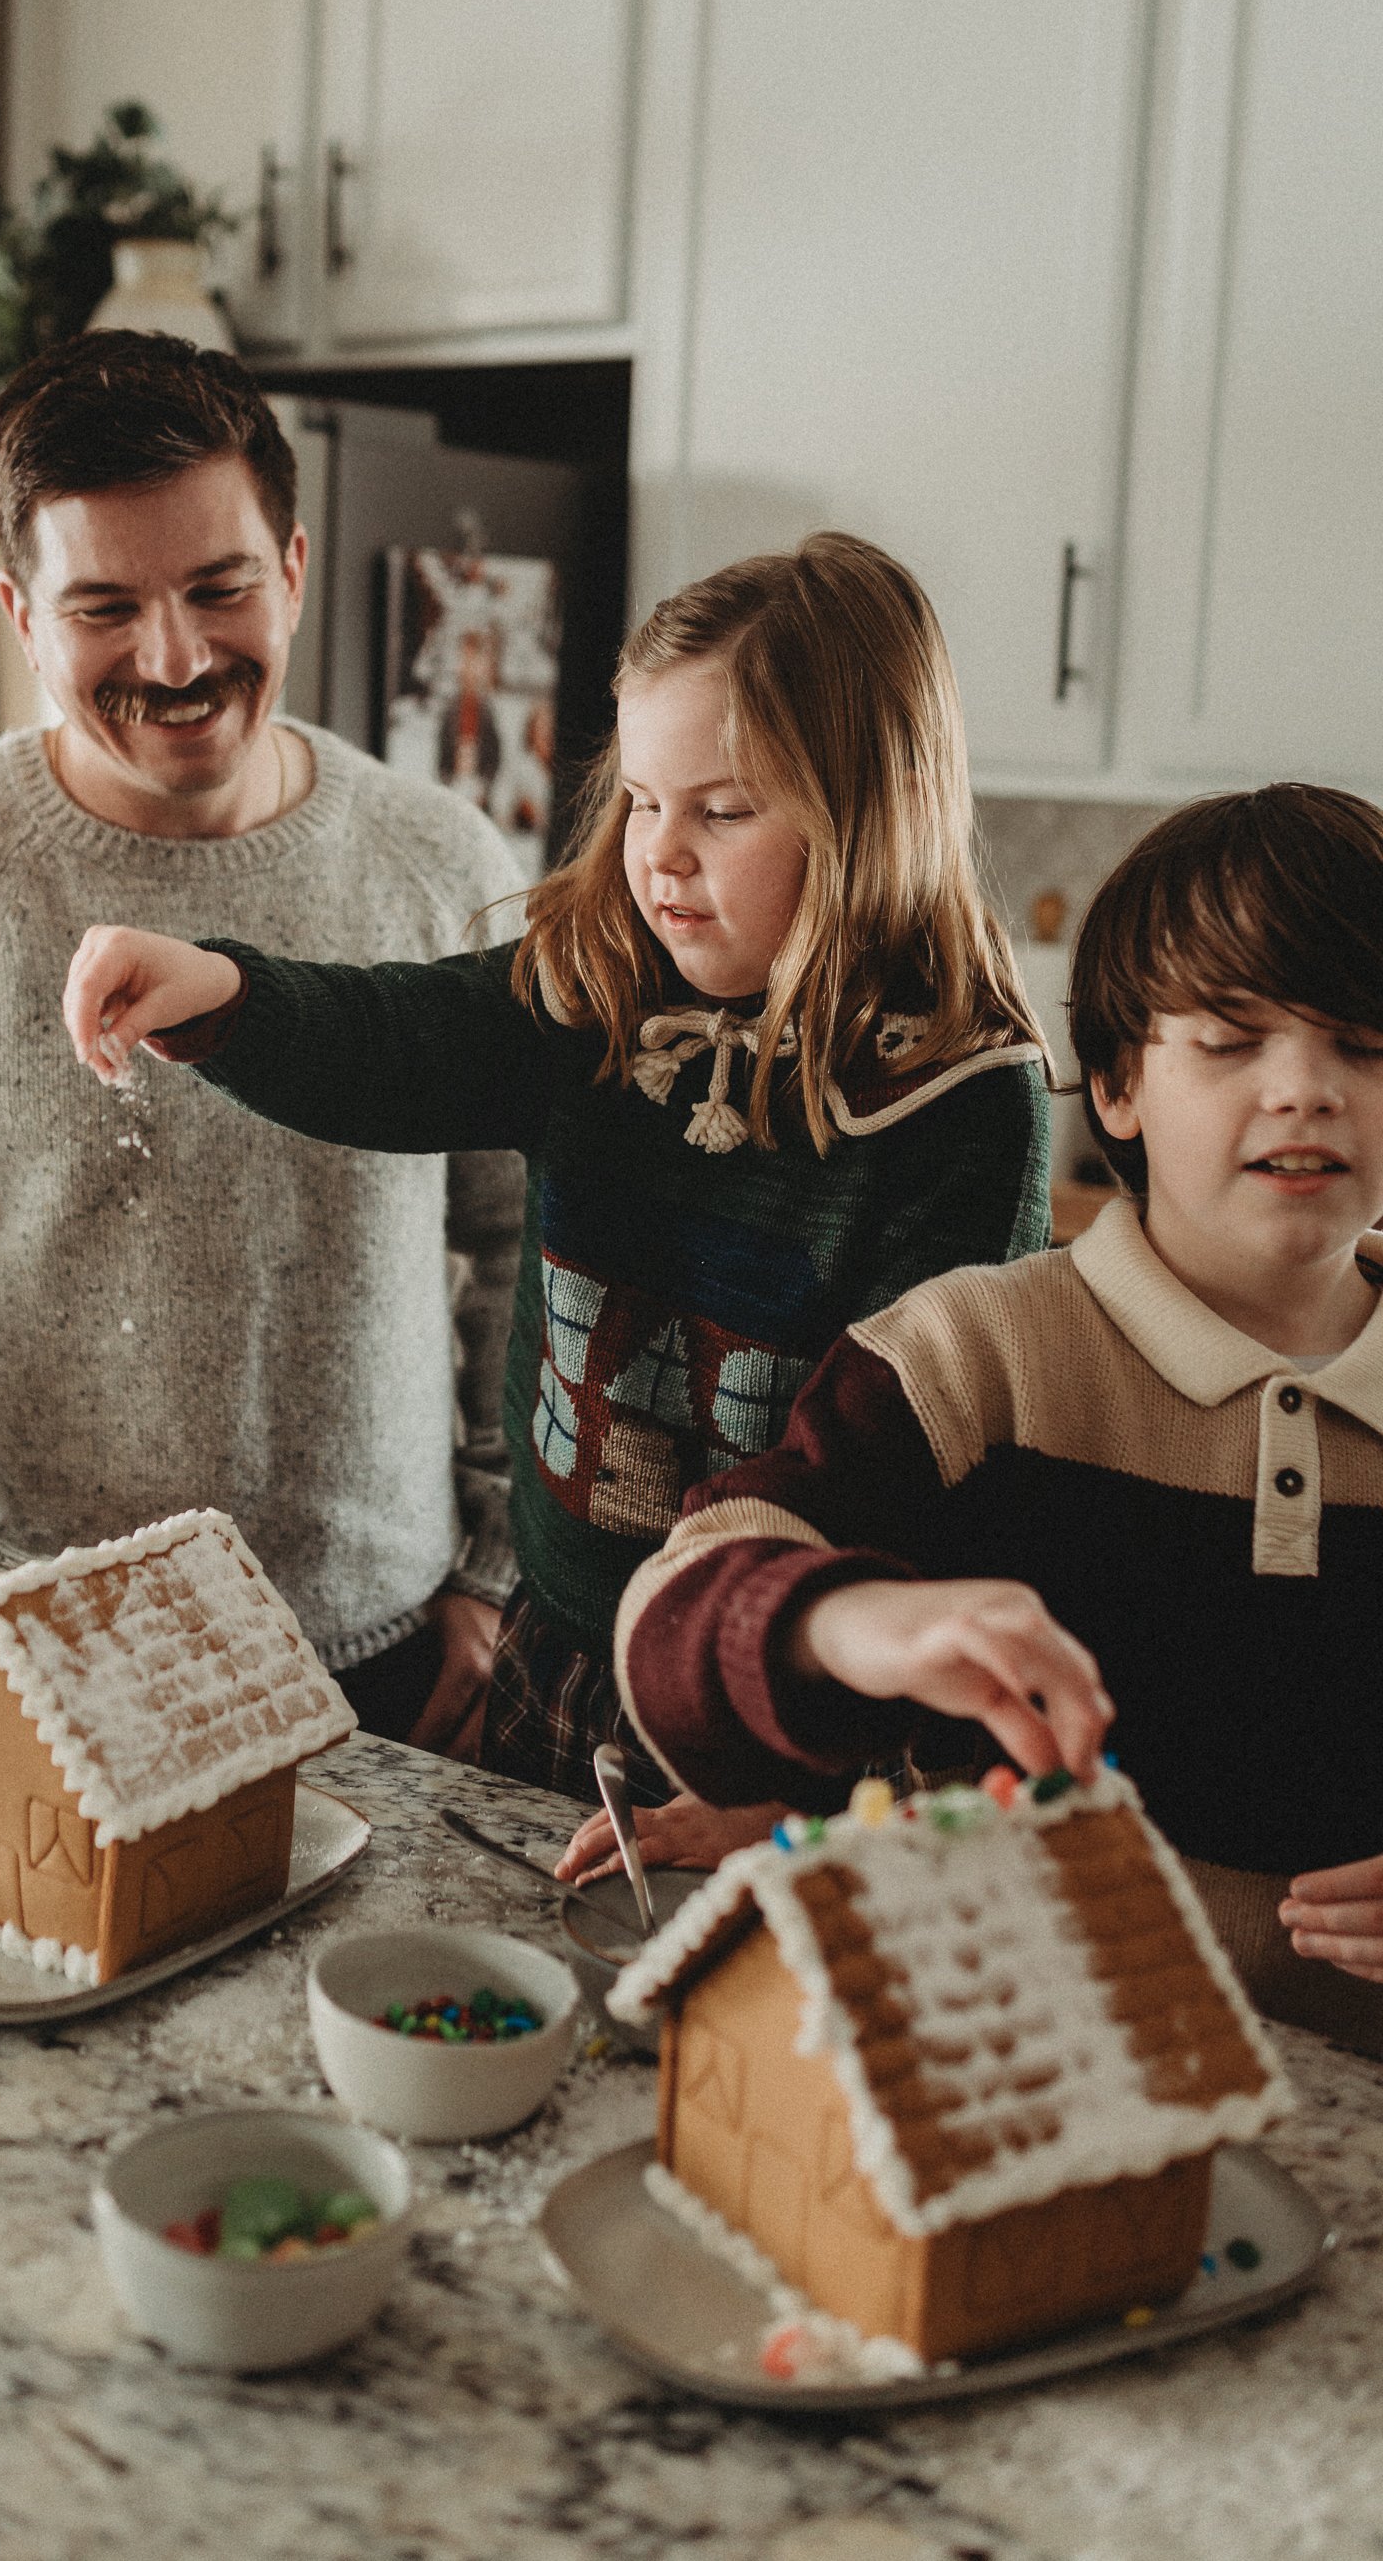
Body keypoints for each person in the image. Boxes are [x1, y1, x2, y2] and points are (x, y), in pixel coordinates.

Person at [61, 533, 1052, 1819]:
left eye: (722, 808)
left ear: (872, 809)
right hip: (561, 1642)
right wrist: (225, 996)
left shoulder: (957, 1103)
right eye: (642, 799)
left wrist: (803, 1788)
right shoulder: (596, 986)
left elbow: (930, 1483)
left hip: (788, 1705)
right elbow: (401, 1038)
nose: (659, 852)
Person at [0, 333, 526, 1753]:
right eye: (105, 605)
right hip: (33, 1680)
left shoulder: (443, 860)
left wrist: (498, 1554)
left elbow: (532, 1221)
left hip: (393, 1673)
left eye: (220, 587)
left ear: (294, 569)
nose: (175, 655)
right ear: (20, 611)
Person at [603, 783, 1383, 2051]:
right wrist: (840, 1621)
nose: (1305, 1090)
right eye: (1230, 1041)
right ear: (1119, 1086)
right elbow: (675, 1612)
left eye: (1363, 1043)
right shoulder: (976, 1359)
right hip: (1023, 2058)